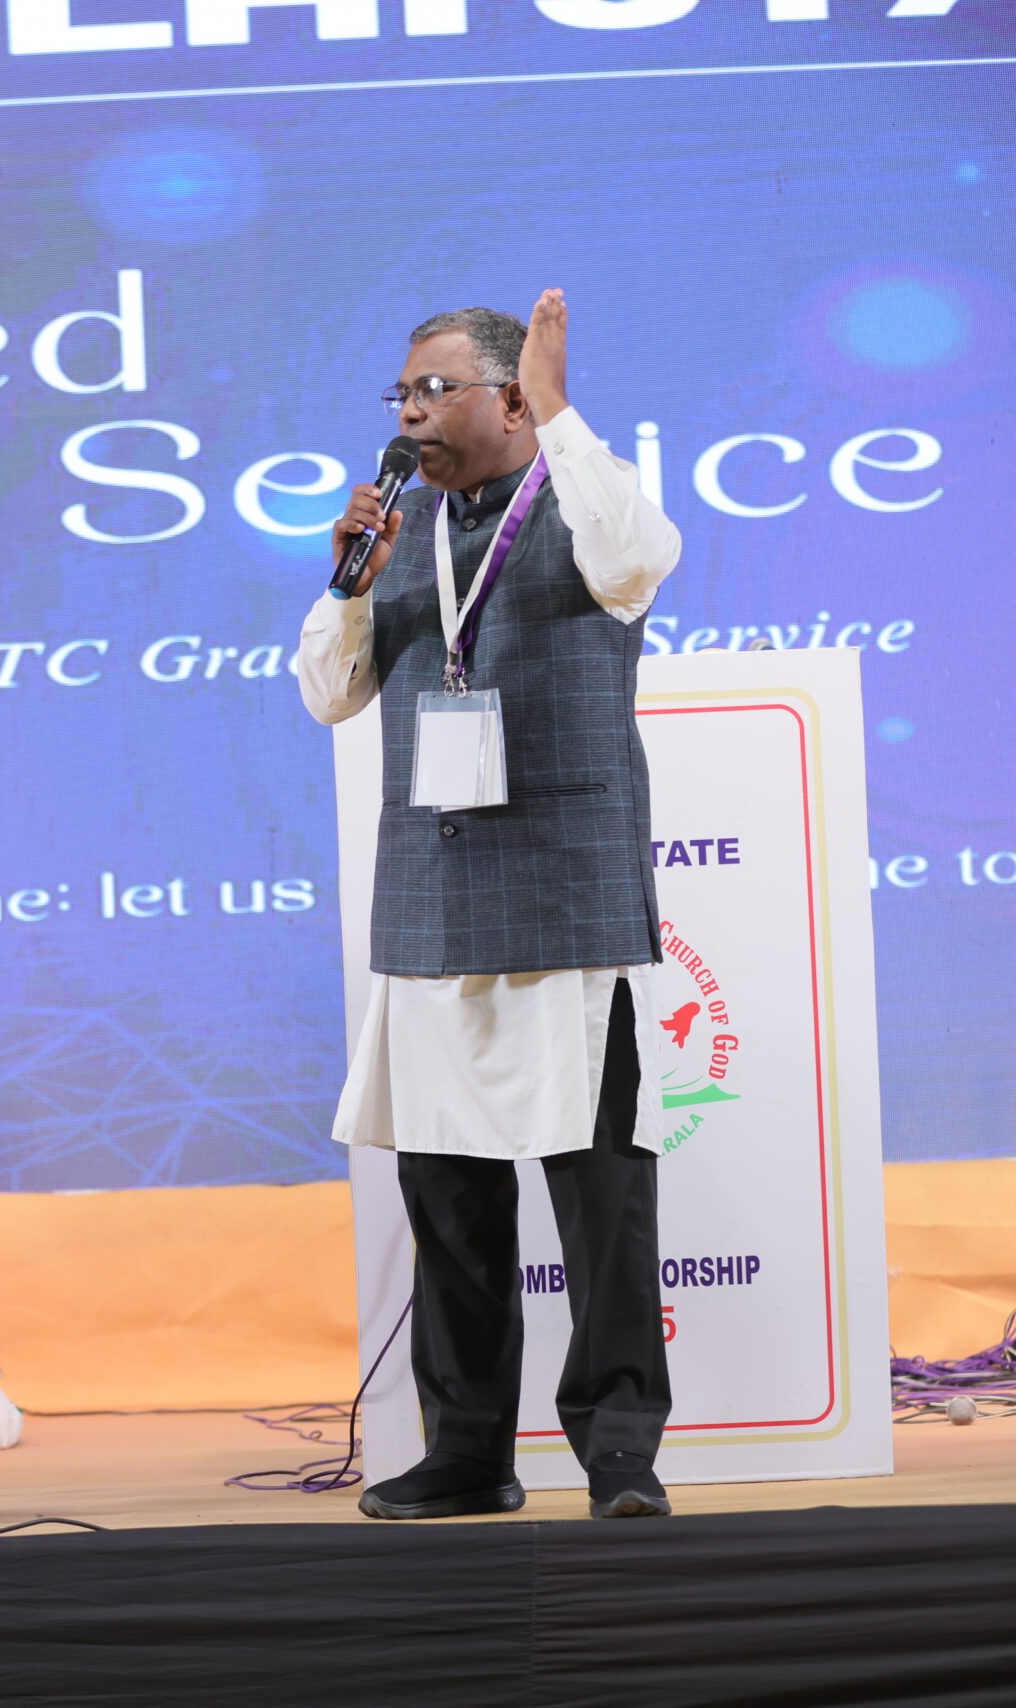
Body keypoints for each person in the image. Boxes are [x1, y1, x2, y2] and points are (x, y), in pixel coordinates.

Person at [298, 291, 682, 1522]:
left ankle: (618, 1453)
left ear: (512, 400)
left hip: (566, 897)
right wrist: (348, 582)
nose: (410, 413)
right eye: (401, 393)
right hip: (432, 902)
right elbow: (329, 694)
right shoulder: (399, 525)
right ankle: (467, 1452)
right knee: (450, 1203)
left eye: (435, 389)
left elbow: (637, 558)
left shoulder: (582, 500)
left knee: (600, 1201)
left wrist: (563, 412)